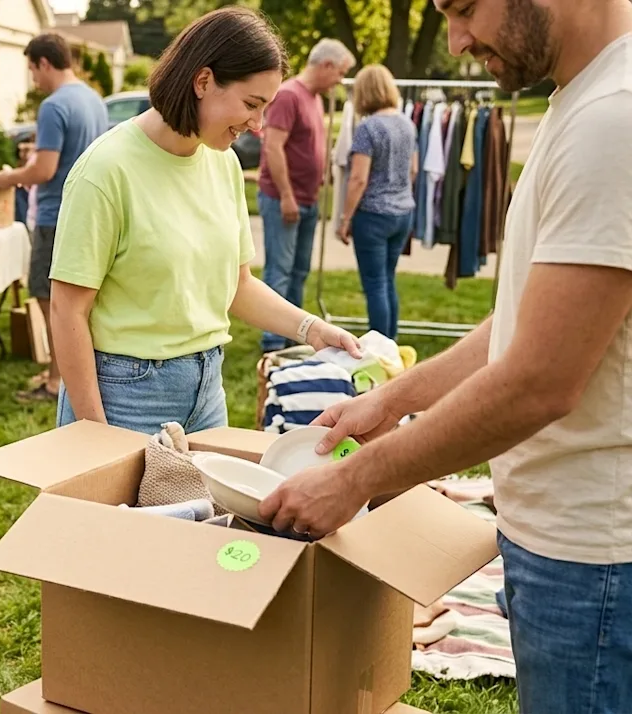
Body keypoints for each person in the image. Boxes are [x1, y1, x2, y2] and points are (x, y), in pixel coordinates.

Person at [259, 2, 632, 712]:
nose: (457, 41)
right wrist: (388, 401)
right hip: (564, 542)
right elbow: (517, 323)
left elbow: (540, 382)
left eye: (463, 7)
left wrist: (354, 481)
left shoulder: (614, 120)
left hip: (596, 559)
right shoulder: (581, 99)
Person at [49, 6, 361, 435]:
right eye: (251, 104)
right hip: (124, 397)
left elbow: (236, 284)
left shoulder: (223, 164)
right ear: (203, 81)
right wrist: (94, 431)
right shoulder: (105, 171)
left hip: (207, 390)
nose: (257, 125)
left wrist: (312, 329)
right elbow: (68, 308)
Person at [0, 33, 108, 404]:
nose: (33, 80)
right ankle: (67, 373)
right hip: (89, 212)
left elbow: (44, 169)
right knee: (81, 301)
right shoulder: (93, 99)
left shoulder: (54, 105)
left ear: (44, 63)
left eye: (32, 70)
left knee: (51, 301)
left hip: (56, 214)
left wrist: (7, 177)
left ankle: (58, 380)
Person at [257, 38, 355, 353]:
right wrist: (286, 195)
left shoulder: (314, 98)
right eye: (339, 73)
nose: (340, 80)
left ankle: (294, 332)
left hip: (307, 199)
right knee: (280, 270)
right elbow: (273, 146)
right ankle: (272, 343)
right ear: (325, 65)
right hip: (284, 199)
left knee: (299, 271)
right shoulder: (289, 95)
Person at [337, 64, 418, 339]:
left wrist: (345, 218)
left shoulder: (368, 128)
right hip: (403, 212)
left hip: (373, 215)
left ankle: (380, 346)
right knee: (387, 279)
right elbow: (414, 169)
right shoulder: (407, 124)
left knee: (374, 284)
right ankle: (391, 341)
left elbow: (358, 178)